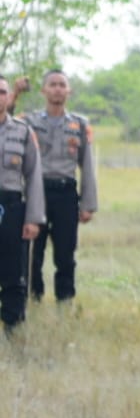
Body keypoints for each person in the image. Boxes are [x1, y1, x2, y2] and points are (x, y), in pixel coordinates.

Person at [25, 70, 98, 305]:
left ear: (69, 91)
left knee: (65, 254)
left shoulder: (79, 124)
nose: (57, 89)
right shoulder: (29, 122)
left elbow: (87, 165)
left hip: (66, 193)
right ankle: (33, 298)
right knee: (33, 253)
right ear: (43, 90)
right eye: (52, 84)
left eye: (62, 85)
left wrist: (88, 204)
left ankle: (65, 302)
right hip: (37, 193)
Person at [0, 75, 43, 333]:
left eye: (2, 92)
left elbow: (34, 175)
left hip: (13, 205)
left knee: (14, 269)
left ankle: (12, 326)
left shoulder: (22, 131)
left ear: (8, 97)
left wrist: (33, 218)